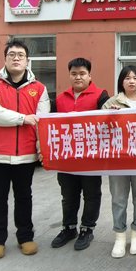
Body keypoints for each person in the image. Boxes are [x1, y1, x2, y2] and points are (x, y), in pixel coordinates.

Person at [0, 39, 50, 260]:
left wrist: (42, 147)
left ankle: (25, 237)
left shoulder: (39, 88)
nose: (16, 58)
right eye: (12, 54)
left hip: (25, 155)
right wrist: (23, 118)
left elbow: (41, 121)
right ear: (5, 59)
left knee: (24, 197)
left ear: (27, 60)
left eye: (20, 55)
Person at [51, 58, 109, 251]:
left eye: (82, 73)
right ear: (69, 75)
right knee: (68, 195)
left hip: (91, 157)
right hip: (67, 157)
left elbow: (108, 121)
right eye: (74, 74)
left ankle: (87, 228)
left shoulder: (101, 95)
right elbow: (50, 126)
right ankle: (68, 228)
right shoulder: (60, 99)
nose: (78, 77)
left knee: (91, 195)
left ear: (89, 75)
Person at [102, 66, 136, 258]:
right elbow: (99, 129)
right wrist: (108, 116)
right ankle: (120, 236)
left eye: (135, 78)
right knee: (118, 199)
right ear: (121, 81)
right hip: (118, 160)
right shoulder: (111, 102)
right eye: (127, 78)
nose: (131, 81)